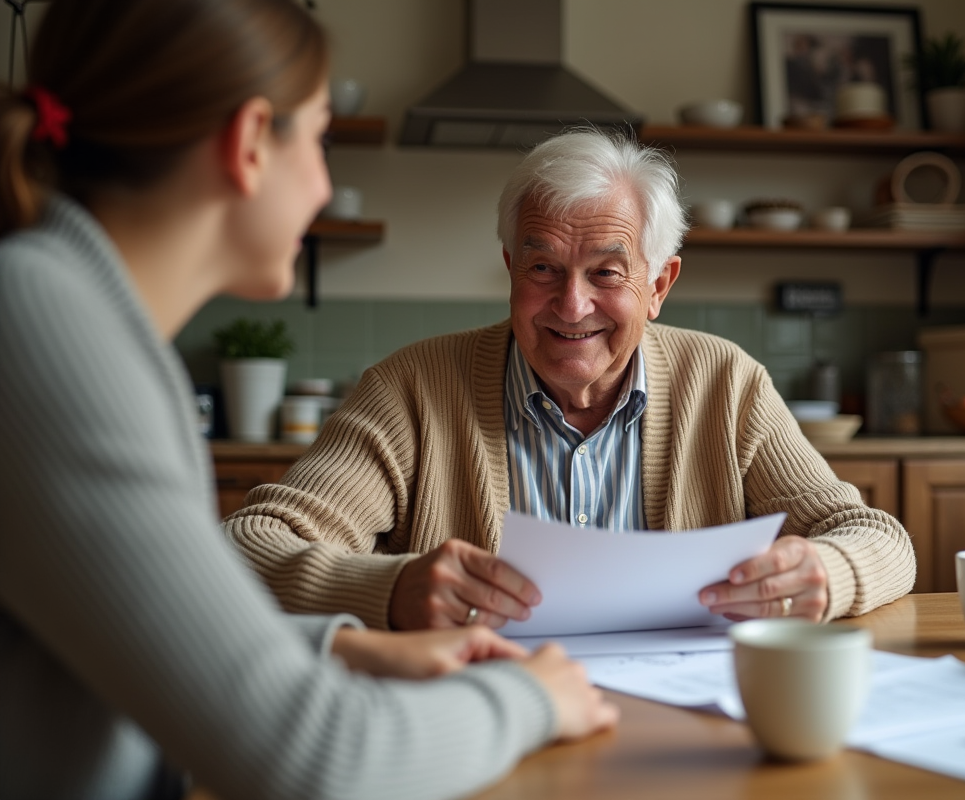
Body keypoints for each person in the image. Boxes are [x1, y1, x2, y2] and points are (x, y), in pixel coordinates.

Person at [0, 2, 617, 799]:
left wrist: (347, 646)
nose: (326, 186)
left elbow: (146, 631)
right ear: (251, 142)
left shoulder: (67, 307)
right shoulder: (45, 327)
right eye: (320, 138)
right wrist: (533, 697)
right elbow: (313, 756)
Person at [224, 129, 916, 633]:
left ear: (658, 285)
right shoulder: (410, 389)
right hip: (482, 716)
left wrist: (827, 573)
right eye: (543, 268)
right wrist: (390, 587)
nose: (572, 304)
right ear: (510, 271)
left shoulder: (727, 384)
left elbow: (876, 535)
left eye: (607, 272)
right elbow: (249, 542)